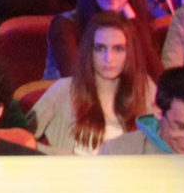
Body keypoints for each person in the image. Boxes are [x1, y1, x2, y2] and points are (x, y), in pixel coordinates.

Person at [31, 11, 157, 156]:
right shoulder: (63, 90)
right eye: (100, 48)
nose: (108, 59)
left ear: (130, 52)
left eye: (118, 49)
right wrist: (64, 157)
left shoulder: (145, 88)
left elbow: (164, 146)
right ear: (89, 51)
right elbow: (20, 139)